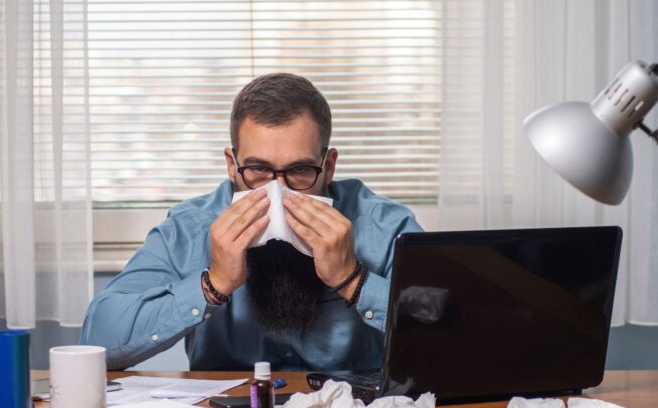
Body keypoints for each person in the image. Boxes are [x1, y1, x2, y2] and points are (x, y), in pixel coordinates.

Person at [80, 73, 423, 371]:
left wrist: (353, 280)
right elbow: (98, 343)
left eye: (299, 170)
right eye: (258, 170)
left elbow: (458, 333)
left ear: (328, 166)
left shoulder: (383, 225)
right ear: (232, 164)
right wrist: (211, 284)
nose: (278, 191)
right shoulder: (190, 227)